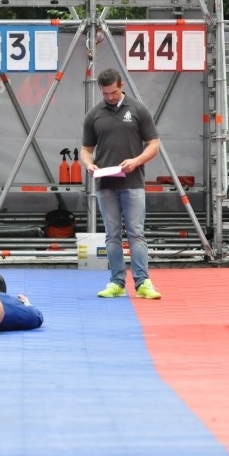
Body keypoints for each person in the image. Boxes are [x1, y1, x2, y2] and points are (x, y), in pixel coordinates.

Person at [80, 68, 162, 299]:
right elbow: (86, 150)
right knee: (112, 234)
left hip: (133, 182)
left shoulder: (138, 109)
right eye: (105, 93)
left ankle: (143, 282)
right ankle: (116, 281)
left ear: (122, 85)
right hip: (105, 184)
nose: (110, 97)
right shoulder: (94, 114)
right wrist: (89, 164)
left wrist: (136, 161)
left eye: (113, 92)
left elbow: (154, 144)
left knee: (136, 232)